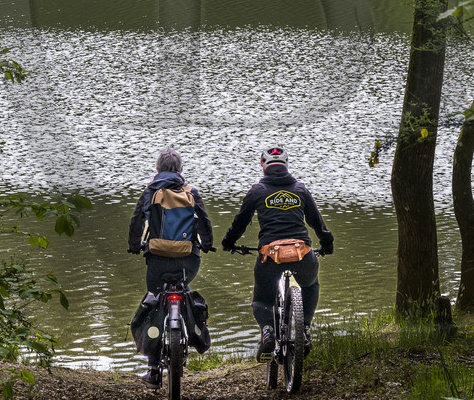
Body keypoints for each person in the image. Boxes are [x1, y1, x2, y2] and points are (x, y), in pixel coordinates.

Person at [222, 144, 334, 361]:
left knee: (261, 298)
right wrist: (327, 243)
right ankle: (304, 330)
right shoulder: (300, 189)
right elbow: (317, 223)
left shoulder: (257, 191)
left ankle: (268, 332)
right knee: (310, 285)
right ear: (286, 164)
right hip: (303, 255)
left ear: (263, 166)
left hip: (270, 258)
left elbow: (240, 222)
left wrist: (229, 242)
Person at [127, 148, 213, 386]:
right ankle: (190, 332)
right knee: (183, 290)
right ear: (180, 169)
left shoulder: (150, 191)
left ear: (157, 169)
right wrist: (207, 245)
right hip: (188, 260)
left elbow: (136, 221)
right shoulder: (190, 192)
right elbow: (204, 223)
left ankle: (153, 369)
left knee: (156, 303)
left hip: (157, 259)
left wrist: (134, 245)